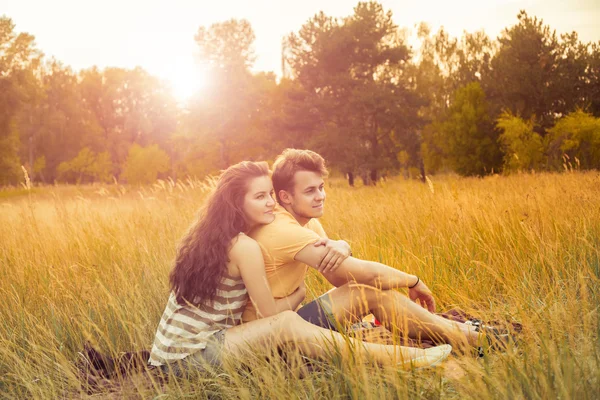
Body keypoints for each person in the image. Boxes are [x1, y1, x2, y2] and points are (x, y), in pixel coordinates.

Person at [148, 161, 453, 376]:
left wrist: (342, 244)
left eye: (270, 193)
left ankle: (454, 338)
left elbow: (334, 263)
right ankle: (404, 359)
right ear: (235, 204)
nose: (271, 203)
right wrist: (299, 295)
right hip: (187, 359)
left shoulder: (216, 235)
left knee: (301, 316)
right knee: (286, 324)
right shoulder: (243, 246)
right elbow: (273, 318)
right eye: (259, 197)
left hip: (188, 349)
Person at [241, 149, 503, 350]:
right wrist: (413, 280)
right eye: (310, 191)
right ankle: (470, 338)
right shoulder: (281, 229)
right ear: (286, 196)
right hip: (265, 335)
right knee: (369, 293)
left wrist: (343, 245)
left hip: (289, 319)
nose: (320, 196)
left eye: (321, 188)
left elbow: (338, 276)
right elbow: (362, 275)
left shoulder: (307, 222)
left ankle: (464, 332)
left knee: (366, 291)